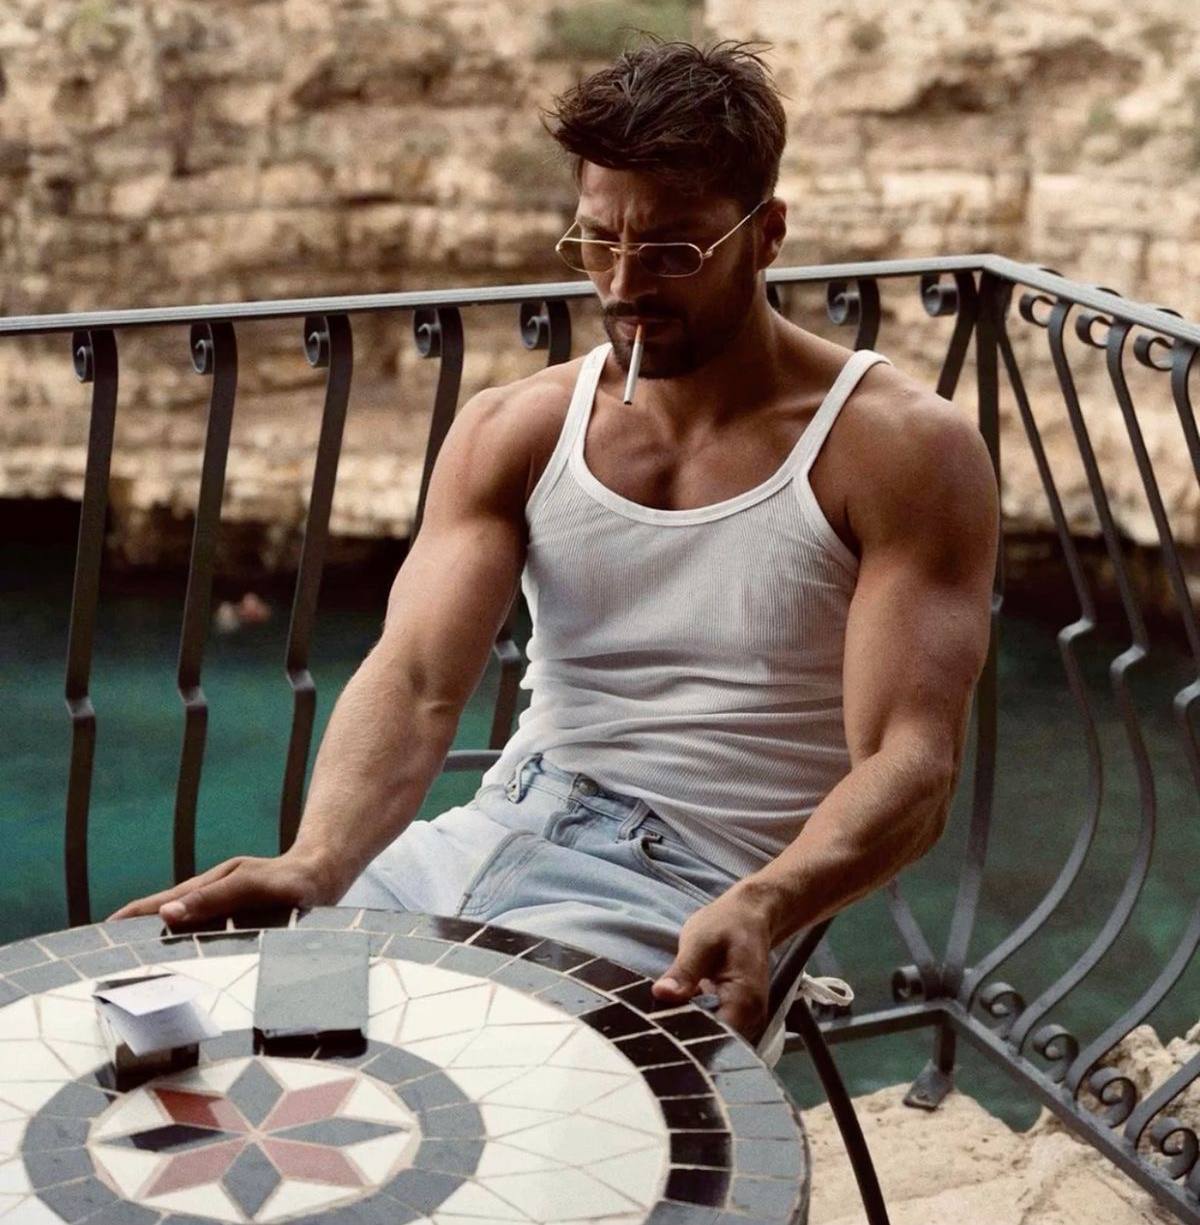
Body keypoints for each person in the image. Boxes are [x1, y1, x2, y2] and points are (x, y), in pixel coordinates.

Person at [112, 36, 998, 1052]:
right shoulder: (518, 427)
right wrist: (318, 861)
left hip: (697, 891)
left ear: (767, 235)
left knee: (493, 1082)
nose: (623, 284)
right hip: (488, 833)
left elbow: (913, 763)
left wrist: (770, 900)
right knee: (224, 1026)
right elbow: (415, 678)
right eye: (597, 242)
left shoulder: (899, 448)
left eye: (671, 251)